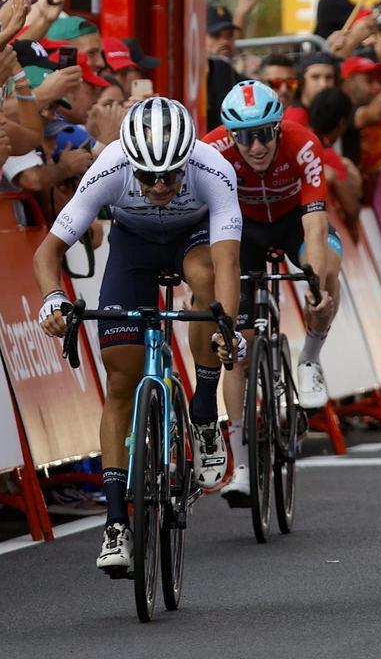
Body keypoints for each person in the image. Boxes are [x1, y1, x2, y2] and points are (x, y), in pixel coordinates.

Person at [34, 97, 244, 576]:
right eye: (148, 178)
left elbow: (228, 261)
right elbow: (48, 251)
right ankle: (115, 524)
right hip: (133, 249)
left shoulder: (213, 169)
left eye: (170, 176)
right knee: (119, 385)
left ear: (187, 160)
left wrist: (227, 327)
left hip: (194, 242)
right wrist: (51, 299)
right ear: (130, 163)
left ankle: (206, 412)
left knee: (206, 280)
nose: (160, 187)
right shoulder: (109, 166)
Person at [203, 80, 342, 504]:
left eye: (265, 132)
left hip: (293, 221)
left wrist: (314, 282)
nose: (257, 145)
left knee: (329, 269)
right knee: (237, 346)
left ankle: (310, 359)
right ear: (231, 134)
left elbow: (315, 224)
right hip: (241, 231)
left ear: (279, 127)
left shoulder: (303, 144)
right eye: (245, 136)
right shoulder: (212, 152)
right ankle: (241, 466)